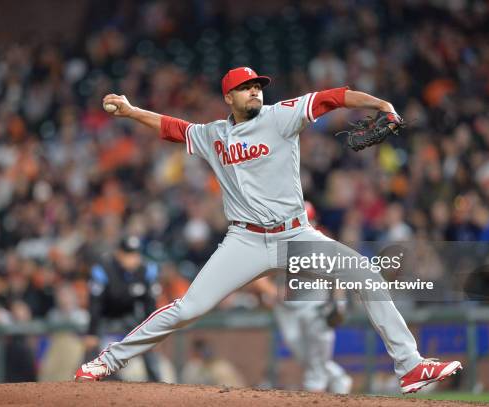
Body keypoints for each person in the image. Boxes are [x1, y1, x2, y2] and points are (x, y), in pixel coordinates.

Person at [75, 67, 462, 394]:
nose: (255, 91)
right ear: (229, 97)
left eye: (258, 86)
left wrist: (379, 104)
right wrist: (129, 111)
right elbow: (172, 127)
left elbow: (333, 96)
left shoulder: (281, 116)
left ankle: (409, 366)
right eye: (246, 88)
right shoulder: (213, 135)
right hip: (244, 240)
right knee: (188, 308)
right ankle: (106, 362)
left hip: (295, 236)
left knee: (365, 273)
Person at [273, 201, 352, 393]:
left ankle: (316, 394)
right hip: (288, 308)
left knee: (315, 363)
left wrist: (340, 303)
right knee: (303, 356)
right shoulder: (282, 241)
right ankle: (338, 378)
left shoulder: (323, 242)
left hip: (316, 306)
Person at [83, 235, 161, 382]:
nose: (133, 258)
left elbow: (150, 305)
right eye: (129, 254)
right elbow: (95, 304)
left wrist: (153, 333)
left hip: (129, 316)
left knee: (149, 340)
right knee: (92, 345)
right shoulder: (102, 270)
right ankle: (87, 380)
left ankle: (156, 381)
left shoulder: (146, 271)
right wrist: (92, 332)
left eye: (136, 254)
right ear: (119, 254)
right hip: (105, 316)